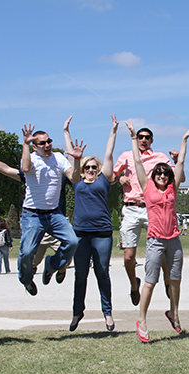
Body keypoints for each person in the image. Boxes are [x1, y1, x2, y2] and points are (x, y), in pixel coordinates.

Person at [130, 120, 189, 342]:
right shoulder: (146, 186)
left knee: (175, 280)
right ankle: (143, 320)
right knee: (150, 281)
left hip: (174, 240)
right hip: (155, 241)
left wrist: (184, 140)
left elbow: (180, 165)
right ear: (153, 175)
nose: (161, 174)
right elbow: (138, 162)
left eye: (164, 172)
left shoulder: (172, 188)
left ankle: (174, 312)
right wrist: (133, 138)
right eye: (158, 172)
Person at [113, 127, 181, 305]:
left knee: (163, 247)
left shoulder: (160, 157)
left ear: (152, 140)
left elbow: (175, 177)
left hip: (154, 208)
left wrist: (177, 160)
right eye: (140, 137)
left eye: (147, 137)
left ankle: (167, 279)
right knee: (128, 255)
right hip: (131, 207)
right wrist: (119, 177)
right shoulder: (126, 155)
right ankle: (134, 284)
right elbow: (111, 175)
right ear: (136, 139)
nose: (143, 140)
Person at [0, 145, 67, 280]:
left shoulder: (60, 175)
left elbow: (79, 177)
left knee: (68, 256)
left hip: (55, 222)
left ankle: (58, 269)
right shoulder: (32, 175)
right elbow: (7, 170)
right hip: (37, 223)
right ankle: (29, 275)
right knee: (30, 258)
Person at [64, 115, 118, 332]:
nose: (91, 169)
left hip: (102, 234)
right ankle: (78, 311)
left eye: (94, 167)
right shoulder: (76, 181)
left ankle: (107, 312)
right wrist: (66, 131)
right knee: (80, 274)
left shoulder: (104, 180)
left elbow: (108, 154)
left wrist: (113, 130)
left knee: (102, 272)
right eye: (87, 166)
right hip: (81, 234)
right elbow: (71, 158)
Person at [18, 123, 85, 296]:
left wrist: (77, 160)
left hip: (54, 213)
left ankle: (52, 265)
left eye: (49, 141)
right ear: (34, 146)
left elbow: (75, 178)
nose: (47, 145)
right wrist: (25, 145)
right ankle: (26, 279)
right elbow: (25, 169)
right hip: (32, 214)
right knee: (27, 252)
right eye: (42, 143)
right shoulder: (31, 157)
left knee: (73, 242)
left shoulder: (58, 157)